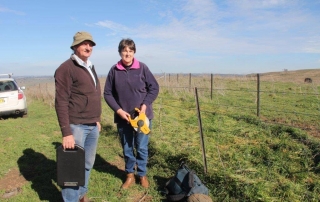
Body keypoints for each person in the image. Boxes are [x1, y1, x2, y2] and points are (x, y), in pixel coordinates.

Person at [104, 38, 159, 189]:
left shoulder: (142, 68)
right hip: (124, 118)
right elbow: (107, 94)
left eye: (130, 50)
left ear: (134, 52)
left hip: (142, 118)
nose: (127, 53)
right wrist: (119, 110)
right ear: (120, 52)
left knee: (141, 147)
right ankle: (129, 175)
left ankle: (141, 174)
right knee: (127, 148)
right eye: (124, 50)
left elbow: (154, 88)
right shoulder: (114, 71)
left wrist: (145, 105)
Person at [54, 31, 101, 202]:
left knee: (87, 164)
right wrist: (66, 132)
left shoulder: (90, 66)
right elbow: (61, 101)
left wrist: (96, 119)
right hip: (76, 127)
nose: (88, 47)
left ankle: (81, 194)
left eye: (90, 44)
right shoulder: (65, 69)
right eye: (84, 44)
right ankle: (71, 199)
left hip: (92, 125)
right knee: (72, 168)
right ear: (75, 46)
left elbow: (91, 94)